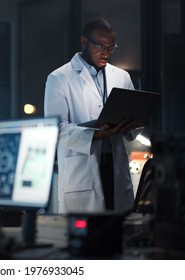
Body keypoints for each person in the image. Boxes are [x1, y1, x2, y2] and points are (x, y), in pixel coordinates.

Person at [44, 17, 141, 214]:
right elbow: (55, 129)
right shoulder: (59, 78)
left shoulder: (121, 77)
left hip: (116, 166)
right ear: (84, 41)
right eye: (99, 45)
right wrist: (95, 134)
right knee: (89, 238)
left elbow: (134, 122)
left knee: (119, 233)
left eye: (111, 47)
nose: (105, 52)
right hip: (82, 170)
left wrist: (132, 125)